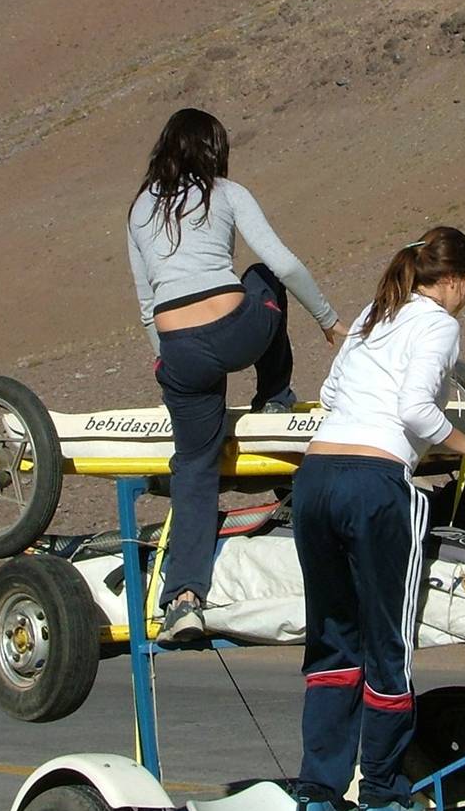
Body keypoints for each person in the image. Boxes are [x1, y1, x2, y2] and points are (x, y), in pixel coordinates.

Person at [292, 225, 465, 811]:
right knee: (388, 640)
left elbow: (330, 389)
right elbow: (418, 408)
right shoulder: (440, 325)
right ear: (457, 279)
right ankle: (384, 790)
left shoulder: (375, 311)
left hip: (315, 479)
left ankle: (318, 788)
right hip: (376, 483)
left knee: (333, 638)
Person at [127, 108, 346, 643]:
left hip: (180, 352)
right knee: (262, 275)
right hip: (238, 331)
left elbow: (145, 305)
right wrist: (329, 320)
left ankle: (184, 599)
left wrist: (166, 368)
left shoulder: (137, 211)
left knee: (195, 470)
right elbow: (286, 264)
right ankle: (274, 396)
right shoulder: (224, 192)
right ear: (213, 150)